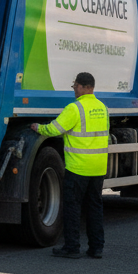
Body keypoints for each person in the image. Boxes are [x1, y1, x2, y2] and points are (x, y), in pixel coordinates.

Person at [30, 71, 109, 259]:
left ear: (82, 87)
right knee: (95, 208)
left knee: (73, 208)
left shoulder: (75, 108)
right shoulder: (103, 108)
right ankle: (96, 247)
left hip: (78, 168)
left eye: (75, 86)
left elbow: (54, 129)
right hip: (98, 168)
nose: (74, 89)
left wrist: (37, 128)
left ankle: (72, 247)